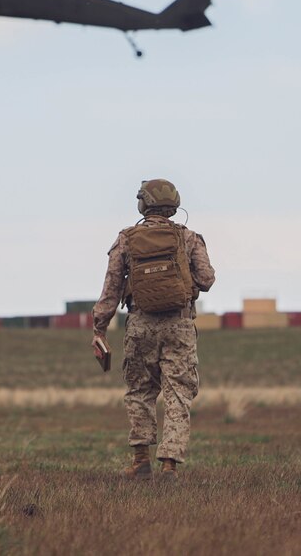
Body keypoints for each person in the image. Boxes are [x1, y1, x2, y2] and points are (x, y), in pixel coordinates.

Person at [91, 179, 215, 480]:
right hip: (180, 325)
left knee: (140, 391)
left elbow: (111, 289)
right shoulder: (189, 238)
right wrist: (182, 284)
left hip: (140, 325)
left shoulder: (126, 239)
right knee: (178, 392)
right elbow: (207, 279)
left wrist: (100, 327)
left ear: (143, 204)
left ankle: (140, 461)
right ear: (174, 204)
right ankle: (170, 464)